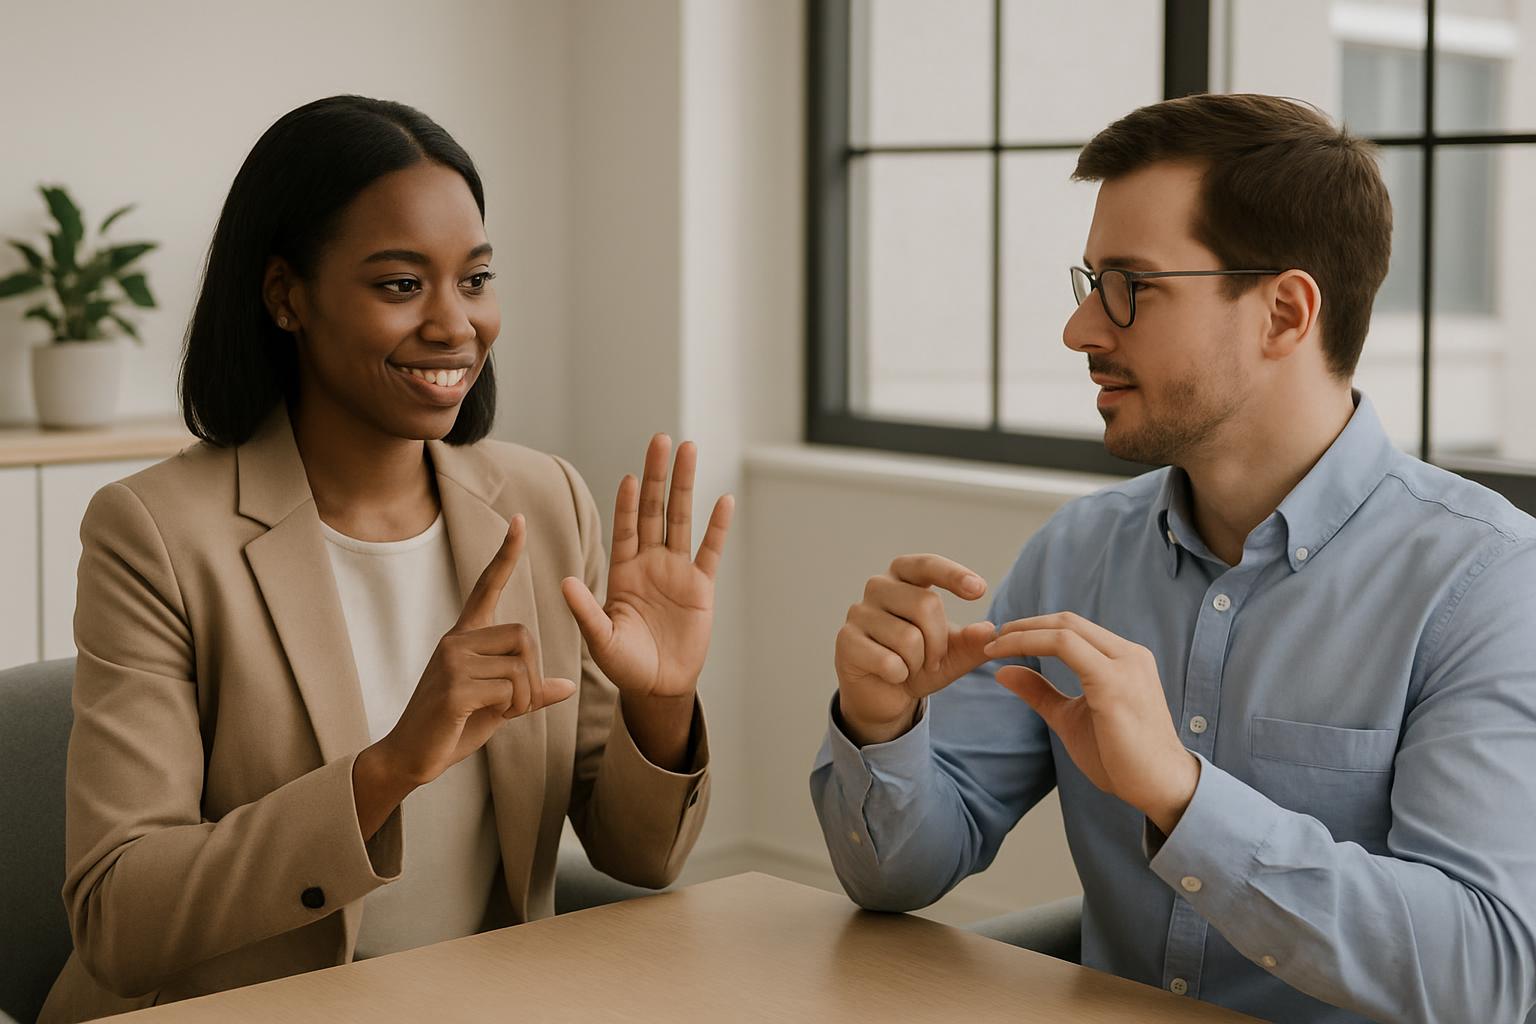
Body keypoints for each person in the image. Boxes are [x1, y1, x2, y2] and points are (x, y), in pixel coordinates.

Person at [810, 93, 1536, 1024]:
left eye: (1131, 288)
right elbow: (897, 878)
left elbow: (1487, 972)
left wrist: (1185, 797)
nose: (1081, 332)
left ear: (1283, 312)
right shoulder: (1078, 552)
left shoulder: (1488, 587)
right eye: (1089, 284)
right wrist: (882, 724)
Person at [41, 95, 733, 1023]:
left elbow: (639, 857)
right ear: (287, 295)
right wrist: (389, 769)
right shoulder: (155, 533)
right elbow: (119, 918)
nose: (457, 325)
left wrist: (662, 702)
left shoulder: (545, 502)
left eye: (476, 279)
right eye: (401, 285)